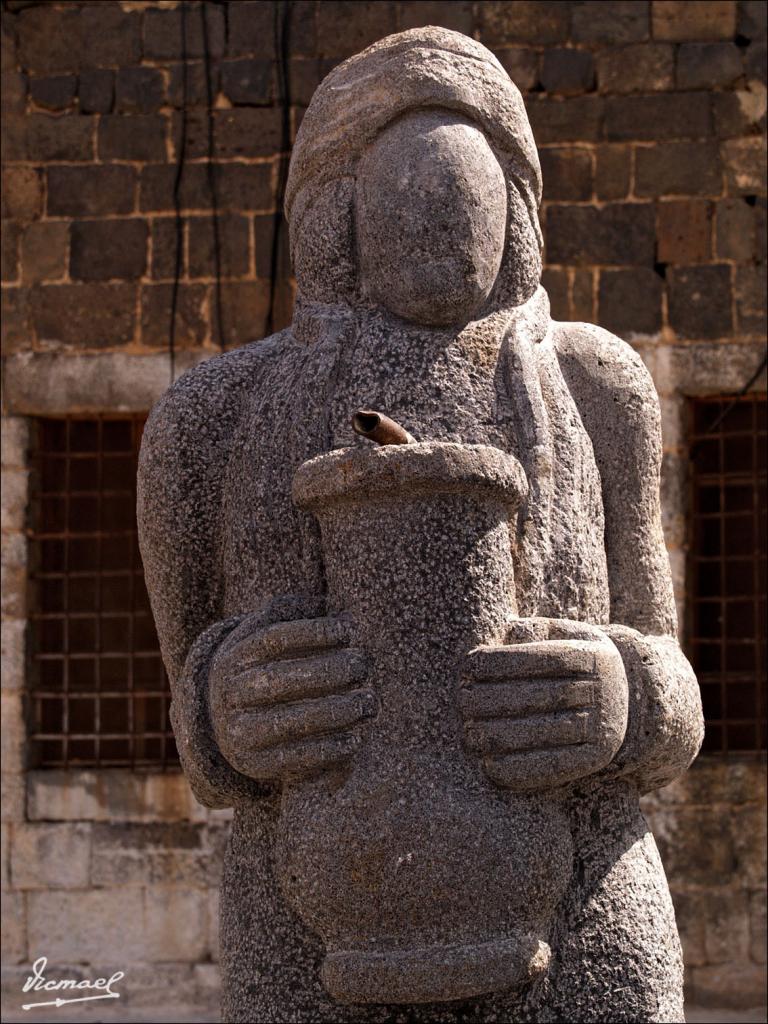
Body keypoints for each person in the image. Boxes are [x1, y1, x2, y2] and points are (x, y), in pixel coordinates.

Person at [138, 27, 703, 1024]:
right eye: (404, 193)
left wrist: (620, 691)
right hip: (308, 916)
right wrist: (233, 700)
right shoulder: (214, 416)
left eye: (467, 189)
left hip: (584, 912)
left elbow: (672, 687)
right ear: (333, 212)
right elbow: (197, 730)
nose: (438, 221)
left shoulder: (591, 384)